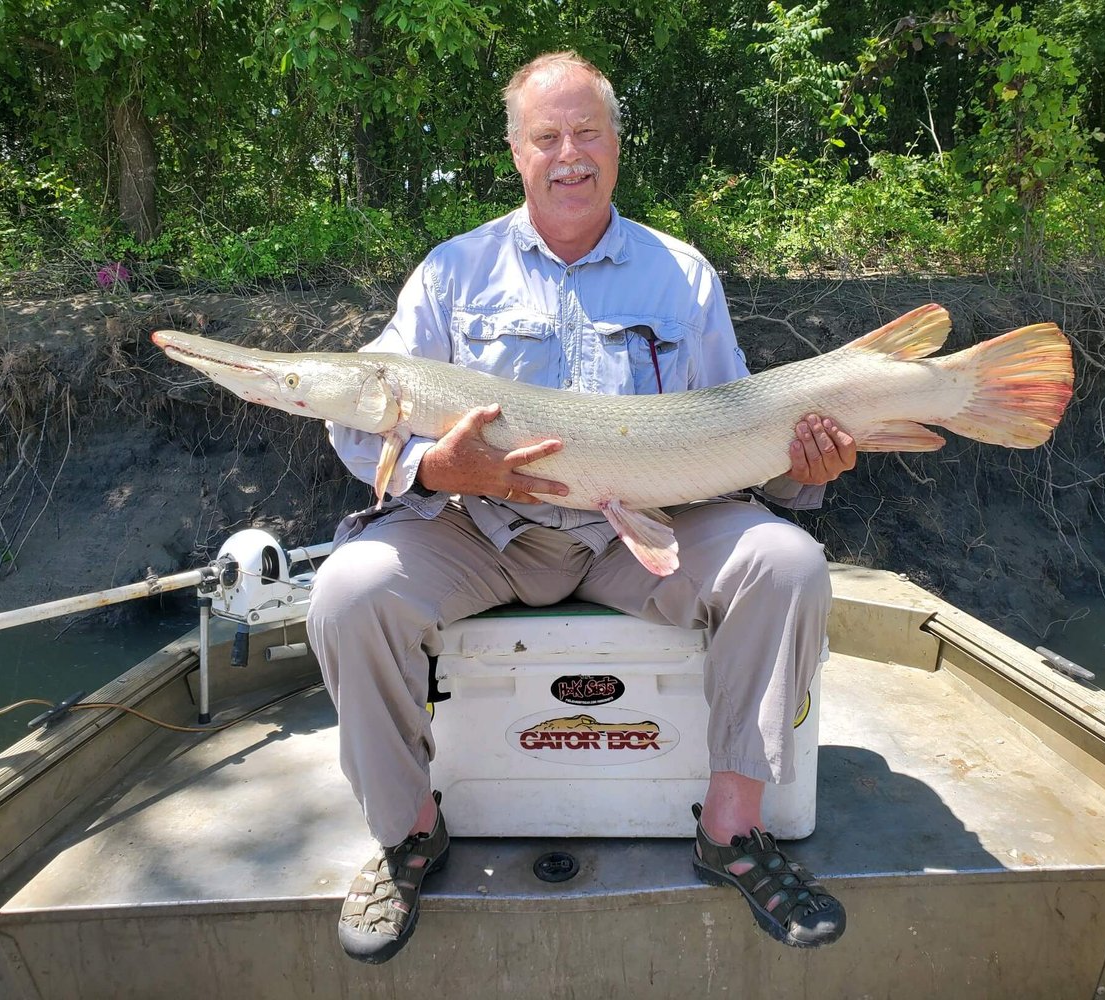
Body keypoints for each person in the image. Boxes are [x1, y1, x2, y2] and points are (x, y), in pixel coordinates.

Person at [305, 50, 856, 965]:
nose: (569, 155)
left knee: (787, 563)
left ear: (615, 145)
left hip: (634, 530)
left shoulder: (680, 274)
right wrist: (442, 474)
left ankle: (733, 832)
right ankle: (407, 833)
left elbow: (733, 433)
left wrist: (807, 471)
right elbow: (361, 422)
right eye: (546, 136)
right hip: (480, 532)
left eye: (586, 133)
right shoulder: (451, 272)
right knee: (349, 593)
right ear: (517, 152)